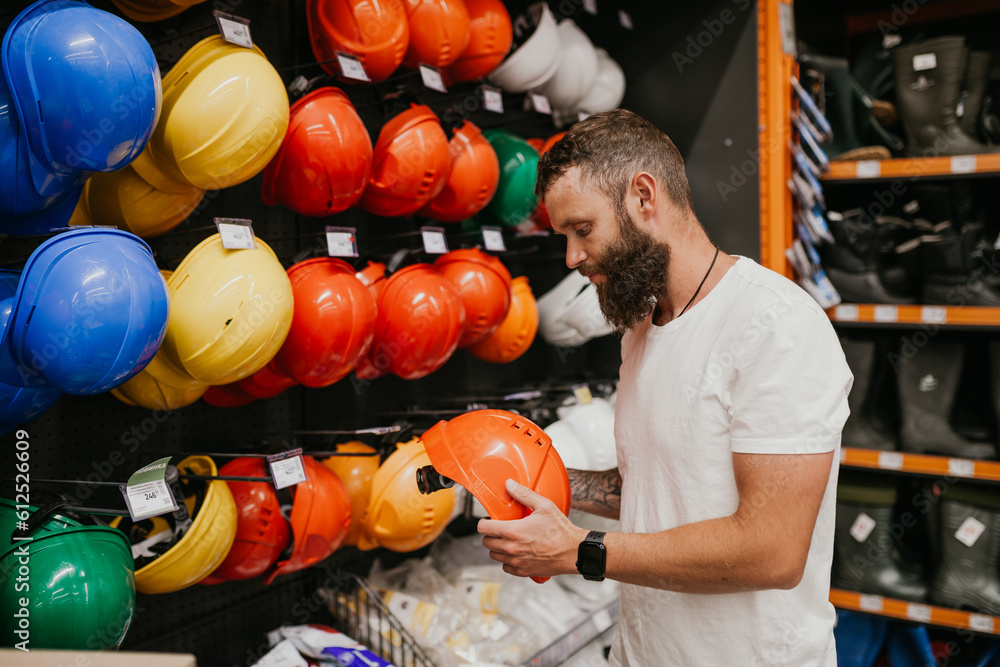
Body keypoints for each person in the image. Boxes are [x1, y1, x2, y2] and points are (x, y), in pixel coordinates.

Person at [477, 108, 853, 666]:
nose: (572, 258)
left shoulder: (774, 325)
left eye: (583, 230)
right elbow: (662, 491)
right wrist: (531, 480)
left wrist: (582, 552)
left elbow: (772, 550)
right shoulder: (641, 331)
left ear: (643, 197)